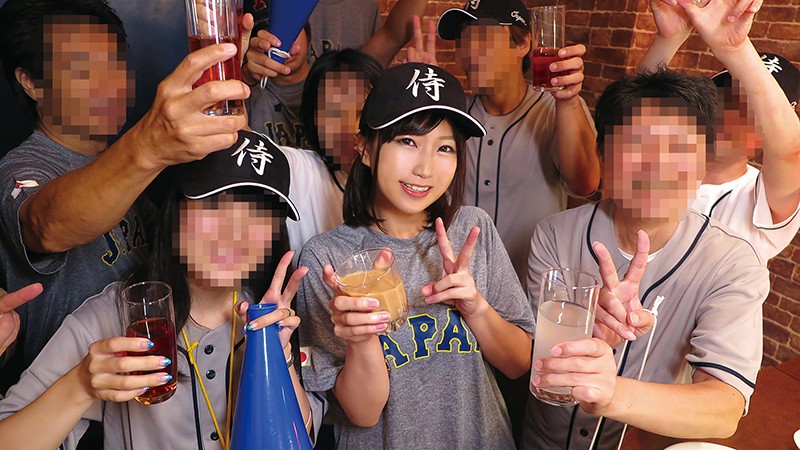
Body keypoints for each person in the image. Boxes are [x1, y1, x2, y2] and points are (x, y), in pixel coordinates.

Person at [0, 136, 323, 449]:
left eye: (258, 215)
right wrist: (80, 385)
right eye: (214, 205)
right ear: (175, 211)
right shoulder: (112, 317)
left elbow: (301, 438)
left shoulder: (277, 315)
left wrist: (278, 354)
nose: (234, 232)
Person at [0, 0, 250, 390]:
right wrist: (149, 144)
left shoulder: (129, 165)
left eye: (116, 64)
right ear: (32, 82)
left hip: (149, 393)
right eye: (82, 70)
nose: (109, 84)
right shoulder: (22, 168)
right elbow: (48, 226)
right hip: (71, 406)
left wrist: (230, 82)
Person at [521, 69, 770, 450]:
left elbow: (725, 408)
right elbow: (532, 353)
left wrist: (611, 393)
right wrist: (590, 334)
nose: (656, 165)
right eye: (635, 143)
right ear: (603, 156)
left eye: (679, 148)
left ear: (703, 164)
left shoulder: (732, 263)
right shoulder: (555, 234)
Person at [296, 62, 535, 448]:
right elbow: (362, 413)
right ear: (365, 148)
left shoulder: (472, 229)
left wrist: (475, 308)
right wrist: (361, 341)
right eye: (407, 141)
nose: (425, 168)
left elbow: (518, 363)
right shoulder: (328, 259)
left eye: (444, 148)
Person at [436, 0, 601, 288]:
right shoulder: (455, 114)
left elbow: (585, 184)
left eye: (482, 37)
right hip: (459, 290)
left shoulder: (556, 108)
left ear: (523, 43)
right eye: (463, 40)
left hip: (530, 291)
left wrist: (568, 101)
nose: (469, 52)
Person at [638, 0, 800, 263]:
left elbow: (790, 149)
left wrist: (734, 49)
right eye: (723, 100)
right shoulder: (665, 162)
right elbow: (630, 118)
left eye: (750, 112)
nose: (728, 117)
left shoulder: (764, 196)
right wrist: (668, 39)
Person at [244, 24, 313, 148]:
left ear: (308, 36)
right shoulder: (247, 93)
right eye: (275, 34)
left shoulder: (329, 87)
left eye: (294, 31)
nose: (286, 45)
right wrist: (243, 76)